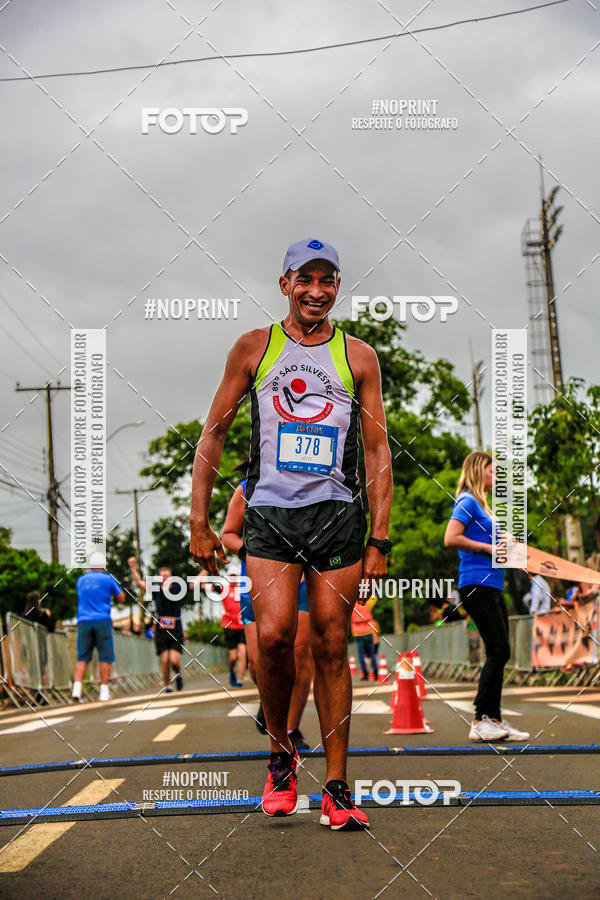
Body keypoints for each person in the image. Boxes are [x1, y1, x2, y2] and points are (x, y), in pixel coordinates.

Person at [190, 238, 392, 830]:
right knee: (275, 638)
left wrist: (380, 538)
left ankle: (336, 785)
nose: (317, 290)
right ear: (285, 284)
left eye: (328, 280)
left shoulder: (359, 358)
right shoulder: (254, 348)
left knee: (332, 643)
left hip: (336, 514)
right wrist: (199, 521)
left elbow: (378, 450)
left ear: (336, 287)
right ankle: (280, 753)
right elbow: (213, 435)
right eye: (305, 279)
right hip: (271, 516)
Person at [444, 451, 529, 742]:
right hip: (476, 584)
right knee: (498, 649)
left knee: (501, 650)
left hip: (492, 584)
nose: (496, 477)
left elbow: (490, 539)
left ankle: (494, 719)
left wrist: (507, 542)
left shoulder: (483, 507)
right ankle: (481, 719)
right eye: (492, 472)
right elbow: (450, 537)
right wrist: (491, 549)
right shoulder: (467, 500)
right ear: (479, 471)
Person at [221, 479, 313, 747]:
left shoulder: (313, 478)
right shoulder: (248, 486)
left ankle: (290, 730)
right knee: (258, 662)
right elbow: (228, 534)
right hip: (256, 582)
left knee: (299, 656)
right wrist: (255, 553)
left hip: (302, 582)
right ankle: (270, 696)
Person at [72, 551, 125, 702]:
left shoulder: (81, 580)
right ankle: (104, 692)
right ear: (103, 566)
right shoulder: (108, 579)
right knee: (105, 657)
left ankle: (76, 689)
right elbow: (121, 598)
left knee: (82, 657)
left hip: (83, 621)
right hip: (102, 619)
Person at [129, 557, 185, 692]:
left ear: (171, 577)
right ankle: (167, 685)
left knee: (174, 660)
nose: (165, 578)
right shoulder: (155, 589)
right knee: (164, 660)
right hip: (161, 628)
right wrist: (132, 568)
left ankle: (178, 675)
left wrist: (207, 568)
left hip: (176, 628)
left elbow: (195, 583)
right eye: (162, 576)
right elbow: (139, 583)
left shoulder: (178, 588)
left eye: (167, 576)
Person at [219, 566, 247, 687]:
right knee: (233, 657)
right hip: (229, 626)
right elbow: (205, 586)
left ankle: (240, 680)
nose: (233, 578)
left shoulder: (243, 589)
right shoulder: (224, 589)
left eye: (235, 576)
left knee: (243, 653)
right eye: (231, 576)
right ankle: (232, 671)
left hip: (242, 626)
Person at [350, 595, 378, 681]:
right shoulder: (367, 604)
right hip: (368, 631)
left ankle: (365, 673)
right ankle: (376, 673)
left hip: (357, 633)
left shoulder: (352, 606)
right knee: (372, 654)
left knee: (361, 655)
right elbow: (374, 597)